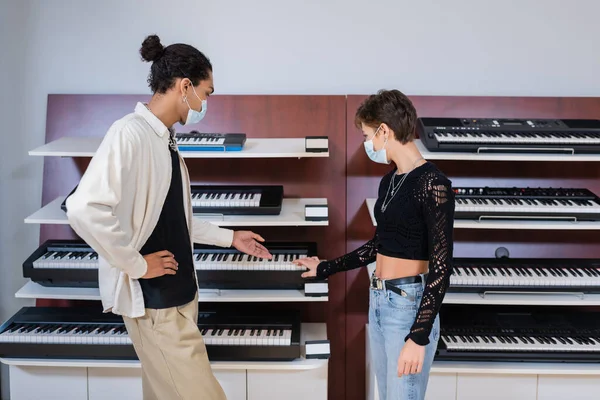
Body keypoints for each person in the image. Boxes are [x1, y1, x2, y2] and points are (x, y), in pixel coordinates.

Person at [65, 34, 272, 400]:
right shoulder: (129, 134)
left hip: (176, 300)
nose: (205, 103)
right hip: (156, 305)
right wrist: (137, 264)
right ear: (185, 86)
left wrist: (230, 237)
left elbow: (173, 218)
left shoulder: (163, 139)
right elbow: (83, 208)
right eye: (206, 93)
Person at [293, 89, 455, 400]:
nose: (368, 144)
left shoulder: (434, 185)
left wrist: (418, 336)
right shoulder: (390, 180)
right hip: (380, 300)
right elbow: (378, 245)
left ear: (384, 130)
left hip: (408, 306)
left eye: (368, 135)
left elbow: (441, 267)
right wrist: (325, 267)